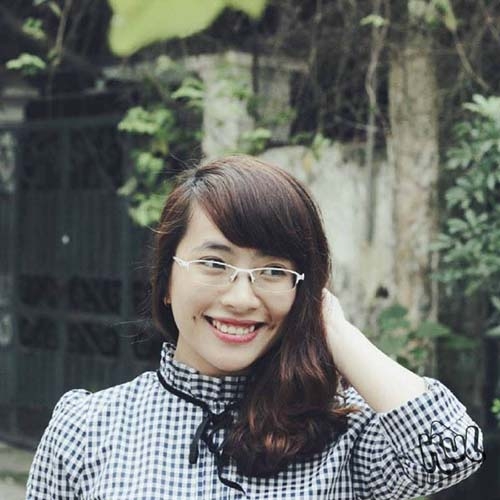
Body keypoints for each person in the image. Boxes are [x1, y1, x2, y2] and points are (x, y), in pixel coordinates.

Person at [26, 155, 484, 499]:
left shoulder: (342, 432)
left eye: (273, 271)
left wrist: (331, 325)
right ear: (166, 280)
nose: (242, 299)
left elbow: (452, 450)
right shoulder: (88, 427)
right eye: (214, 263)